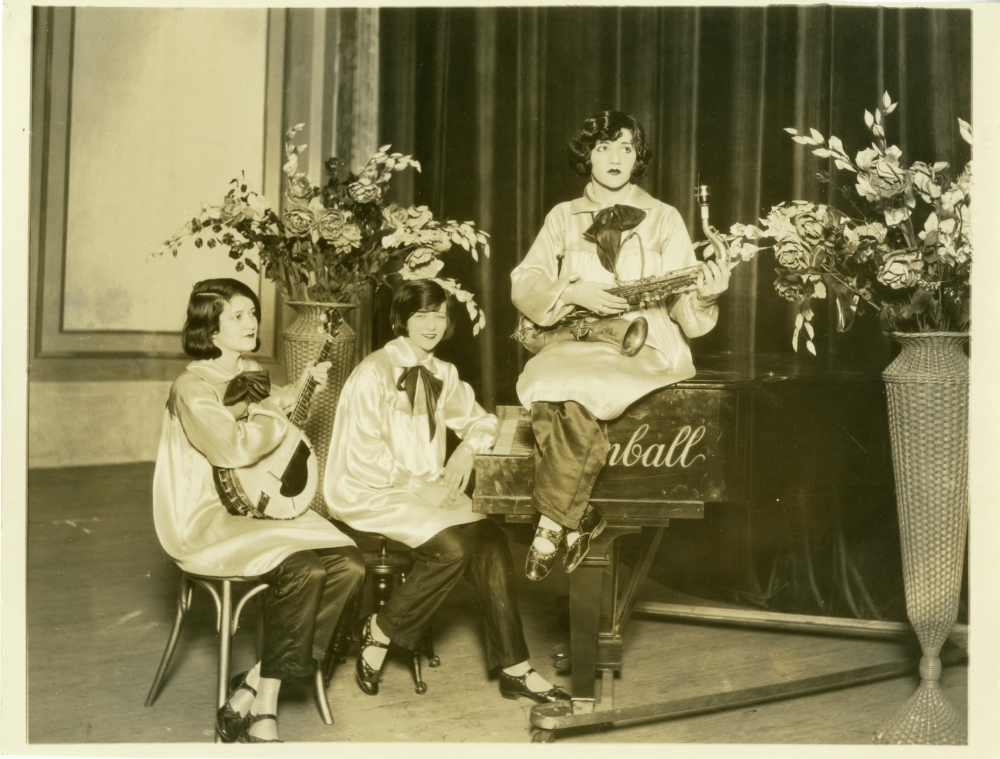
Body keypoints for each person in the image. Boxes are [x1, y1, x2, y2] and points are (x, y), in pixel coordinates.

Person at [324, 279, 569, 704]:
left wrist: (466, 454)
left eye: (440, 314)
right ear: (402, 319)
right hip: (371, 487)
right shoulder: (373, 373)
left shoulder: (444, 373)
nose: (432, 324)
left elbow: (481, 422)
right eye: (422, 314)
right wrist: (421, 487)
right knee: (453, 548)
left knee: (491, 539)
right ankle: (380, 631)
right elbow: (362, 456)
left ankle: (515, 667)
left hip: (425, 487)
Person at [511, 110, 731, 581]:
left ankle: (552, 522)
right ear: (586, 156)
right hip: (580, 333)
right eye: (603, 147)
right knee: (544, 381)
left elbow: (684, 311)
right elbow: (525, 279)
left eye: (626, 147)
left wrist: (707, 294)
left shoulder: (665, 217)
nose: (615, 157)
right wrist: (570, 293)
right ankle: (578, 517)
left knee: (577, 383)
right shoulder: (561, 217)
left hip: (643, 341)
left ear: (638, 157)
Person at [152, 278, 365, 743]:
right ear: (211, 330)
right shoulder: (191, 387)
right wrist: (277, 412)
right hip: (210, 517)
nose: (252, 323)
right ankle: (266, 705)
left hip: (257, 507)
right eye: (238, 316)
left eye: (253, 313)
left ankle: (250, 683)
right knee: (306, 570)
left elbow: (273, 427)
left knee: (350, 565)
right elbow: (232, 447)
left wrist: (295, 394)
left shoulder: (248, 371)